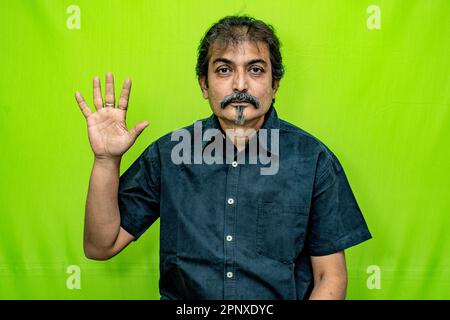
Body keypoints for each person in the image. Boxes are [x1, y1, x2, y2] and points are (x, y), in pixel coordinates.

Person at [75, 15, 372, 300]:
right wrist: (106, 160)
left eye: (255, 69)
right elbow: (101, 245)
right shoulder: (168, 156)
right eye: (224, 70)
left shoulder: (312, 160)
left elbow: (330, 278)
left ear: (275, 84)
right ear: (204, 84)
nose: (240, 84)